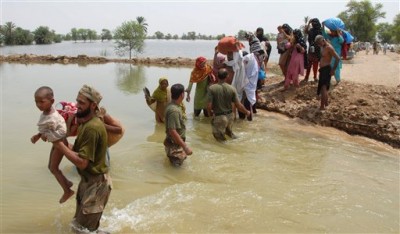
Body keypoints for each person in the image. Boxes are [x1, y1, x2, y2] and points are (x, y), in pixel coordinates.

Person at [54, 84, 112, 233]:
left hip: (96, 185)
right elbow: (81, 153)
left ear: (93, 105)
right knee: (80, 227)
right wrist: (64, 143)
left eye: (82, 103)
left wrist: (59, 145)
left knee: (82, 229)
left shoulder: (92, 128)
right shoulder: (86, 124)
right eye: (77, 101)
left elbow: (82, 162)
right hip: (89, 182)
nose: (77, 106)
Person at [31, 86, 74, 204]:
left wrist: (47, 136)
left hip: (60, 143)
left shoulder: (53, 117)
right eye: (36, 102)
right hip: (56, 143)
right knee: (51, 167)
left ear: (52, 101)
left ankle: (67, 191)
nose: (39, 104)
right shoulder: (46, 112)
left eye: (42, 102)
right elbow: (46, 128)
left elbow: (63, 131)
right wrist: (39, 135)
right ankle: (67, 183)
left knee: (54, 168)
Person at [207, 68, 251, 141]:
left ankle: (228, 151)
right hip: (230, 117)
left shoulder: (212, 88)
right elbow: (238, 105)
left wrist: (210, 114)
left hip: (219, 117)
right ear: (227, 76)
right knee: (229, 133)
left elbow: (209, 105)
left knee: (220, 140)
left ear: (217, 76)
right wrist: (247, 112)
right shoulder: (232, 88)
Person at [164, 84, 193, 166]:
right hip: (175, 147)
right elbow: (172, 131)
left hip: (174, 144)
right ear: (182, 95)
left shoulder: (172, 105)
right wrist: (185, 147)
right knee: (176, 171)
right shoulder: (174, 111)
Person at [315, 35, 340, 110]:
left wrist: (333, 70)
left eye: (319, 43)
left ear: (323, 40)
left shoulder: (329, 48)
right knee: (323, 88)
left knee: (323, 88)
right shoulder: (322, 47)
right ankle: (326, 104)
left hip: (327, 69)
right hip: (322, 70)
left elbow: (337, 58)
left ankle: (322, 107)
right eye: (318, 44)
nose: (319, 45)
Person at [238, 51, 259, 121]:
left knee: (247, 103)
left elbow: (251, 79)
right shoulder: (247, 65)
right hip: (243, 87)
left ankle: (249, 120)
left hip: (249, 88)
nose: (244, 63)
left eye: (246, 61)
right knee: (240, 102)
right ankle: (241, 120)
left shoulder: (253, 67)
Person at [304, 18, 322, 83]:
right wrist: (308, 23)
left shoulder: (320, 31)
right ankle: (307, 77)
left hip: (317, 50)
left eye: (314, 22)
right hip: (311, 49)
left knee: (315, 64)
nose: (313, 24)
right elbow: (305, 31)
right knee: (309, 64)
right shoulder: (311, 30)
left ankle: (314, 77)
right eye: (312, 23)